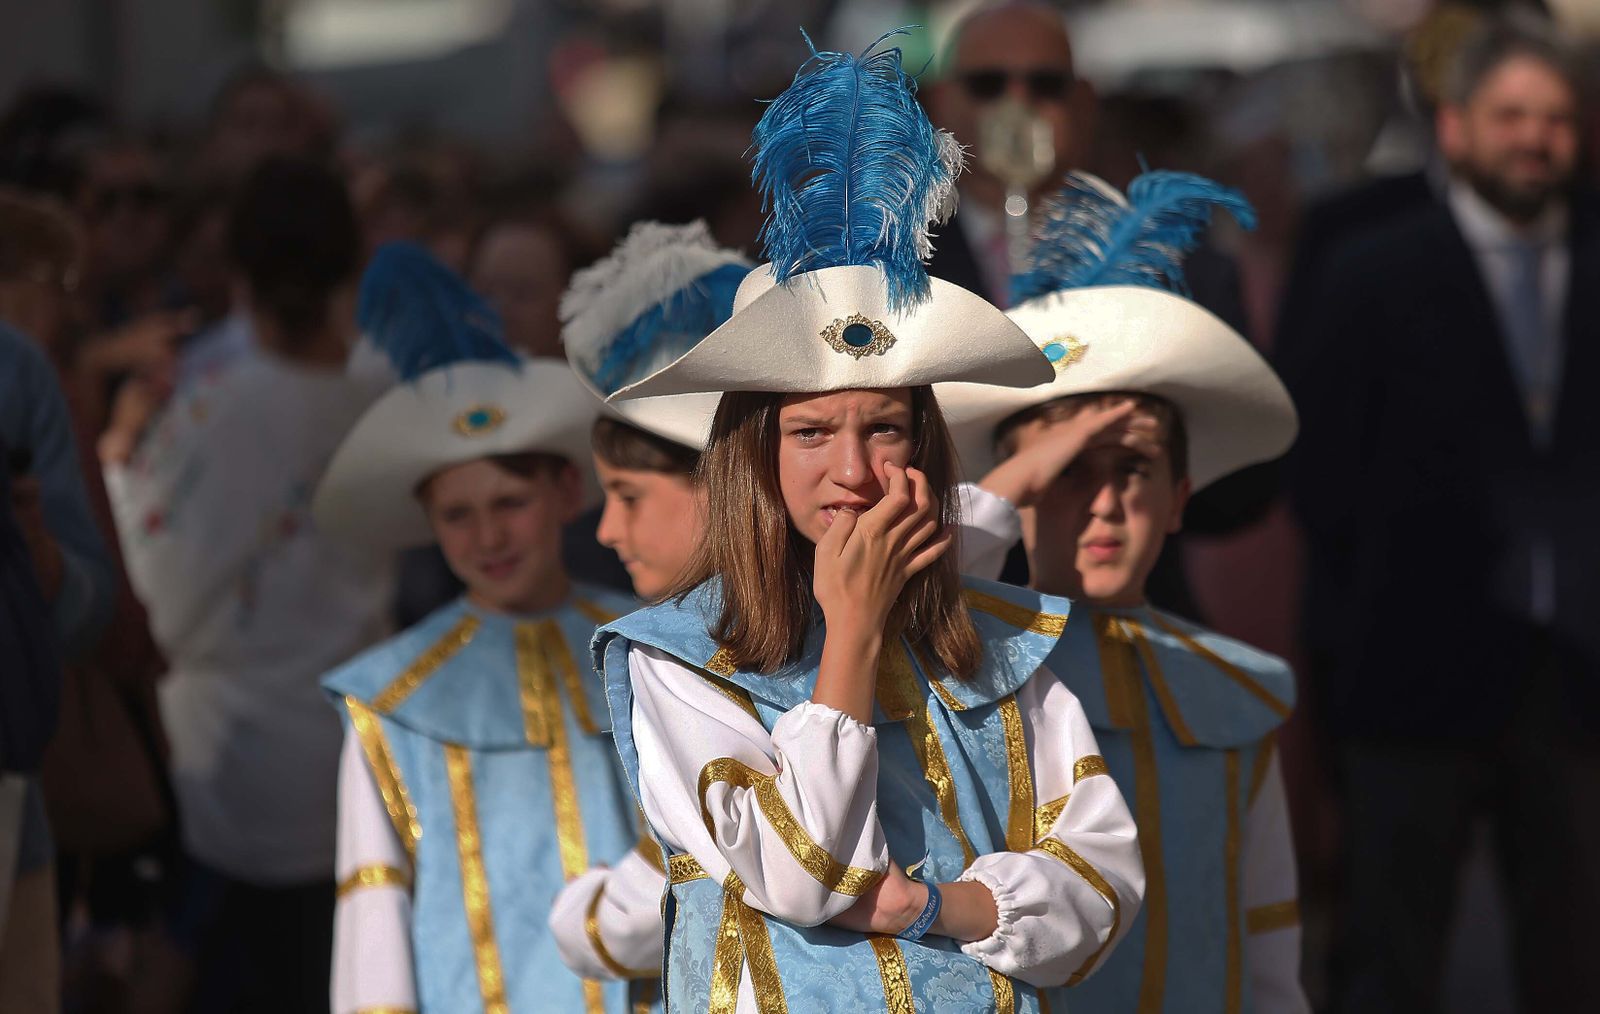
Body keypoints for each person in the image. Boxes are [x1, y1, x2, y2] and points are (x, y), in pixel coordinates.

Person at [593, 32, 1142, 1012]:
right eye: (810, 433)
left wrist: (934, 906)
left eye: (883, 427)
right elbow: (808, 877)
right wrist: (849, 635)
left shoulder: (1004, 641)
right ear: (753, 453)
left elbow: (1100, 890)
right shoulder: (672, 660)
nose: (852, 472)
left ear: (921, 441)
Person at [1285, 17, 1600, 1011]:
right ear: (1456, 126)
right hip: (1408, 683)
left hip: (1580, 692)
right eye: (1511, 115)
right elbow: (1320, 472)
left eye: (1555, 118)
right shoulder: (1367, 266)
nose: (1534, 138)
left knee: (1574, 961)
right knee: (1389, 958)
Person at [938, 170, 1307, 1012]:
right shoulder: (963, 653)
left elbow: (1267, 926)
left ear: (1180, 497)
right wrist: (1013, 478)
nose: (1105, 504)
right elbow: (907, 594)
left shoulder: (1233, 685)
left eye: (1134, 469)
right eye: (1070, 472)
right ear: (1019, 488)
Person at [315, 242, 650, 1014]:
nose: (488, 537)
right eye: (457, 515)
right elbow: (373, 906)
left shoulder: (649, 646)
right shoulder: (390, 698)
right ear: (427, 522)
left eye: (510, 504)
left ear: (566, 493)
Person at [102, 157, 392, 1013]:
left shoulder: (213, 404)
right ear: (352, 264)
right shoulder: (385, 389)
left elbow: (156, 597)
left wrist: (115, 460)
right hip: (349, 749)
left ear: (237, 269)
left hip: (226, 765)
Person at [548, 219, 749, 981]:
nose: (606, 530)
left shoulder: (683, 652)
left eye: (629, 495)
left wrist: (590, 917)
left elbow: (625, 928)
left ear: (718, 484)